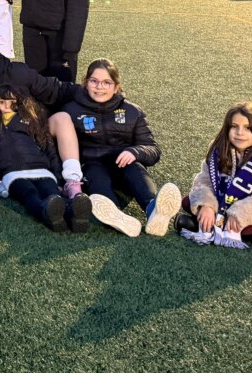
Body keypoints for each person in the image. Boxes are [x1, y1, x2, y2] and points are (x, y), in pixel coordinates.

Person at [0, 32, 87, 199]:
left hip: (29, 130)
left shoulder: (17, 71)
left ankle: (72, 180)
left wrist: (88, 92)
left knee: (62, 119)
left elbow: (53, 89)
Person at [61, 59, 181, 238]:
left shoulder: (132, 111)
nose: (100, 87)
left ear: (116, 86)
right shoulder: (71, 111)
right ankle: (116, 215)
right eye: (94, 81)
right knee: (97, 180)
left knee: (135, 170)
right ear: (86, 83)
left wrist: (135, 152)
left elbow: (153, 149)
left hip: (124, 164)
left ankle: (153, 209)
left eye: (107, 82)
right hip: (93, 164)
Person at [176, 102, 252, 250]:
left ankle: (203, 226)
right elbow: (204, 180)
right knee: (189, 201)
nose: (239, 132)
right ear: (227, 128)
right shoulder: (218, 150)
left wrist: (240, 213)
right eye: (234, 126)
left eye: (248, 128)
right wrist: (207, 205)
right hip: (222, 203)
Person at [0, 85, 90, 233]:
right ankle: (46, 213)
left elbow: (49, 148)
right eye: (1, 102)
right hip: (11, 171)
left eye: (12, 102)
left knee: (52, 192)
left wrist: (57, 175)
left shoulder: (30, 121)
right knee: (28, 193)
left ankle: (75, 213)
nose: (6, 107)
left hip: (41, 169)